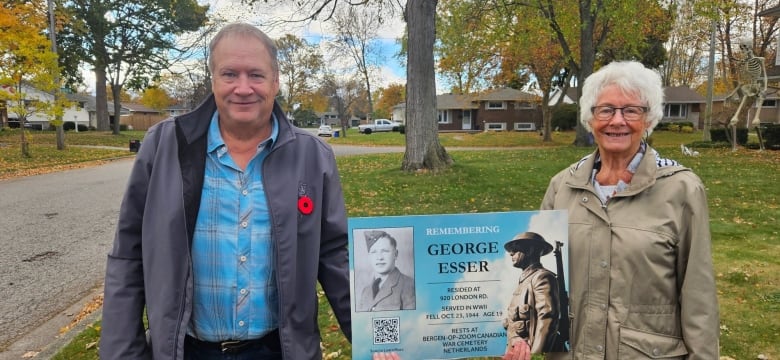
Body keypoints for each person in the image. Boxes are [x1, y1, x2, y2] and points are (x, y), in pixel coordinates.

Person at [99, 22, 351, 360]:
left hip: (279, 350)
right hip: (188, 350)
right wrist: (122, 353)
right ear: (214, 80)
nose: (243, 88)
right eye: (230, 74)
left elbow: (335, 255)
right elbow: (129, 256)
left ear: (275, 82)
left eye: (256, 75)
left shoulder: (312, 156)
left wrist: (379, 335)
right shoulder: (164, 146)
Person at [542, 60, 719, 359]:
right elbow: (542, 275)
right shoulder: (563, 186)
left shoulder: (681, 189)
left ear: (648, 119)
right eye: (606, 109)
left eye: (631, 110)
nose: (617, 121)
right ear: (590, 118)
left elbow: (698, 293)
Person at [503, 232, 561, 355]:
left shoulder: (542, 277)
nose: (511, 253)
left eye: (515, 249)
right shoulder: (523, 282)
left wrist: (536, 357)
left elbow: (547, 318)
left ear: (530, 250)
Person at [357, 230, 416, 311]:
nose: (379, 257)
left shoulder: (409, 286)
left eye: (384, 251)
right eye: (374, 252)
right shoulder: (366, 292)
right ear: (369, 257)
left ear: (395, 254)